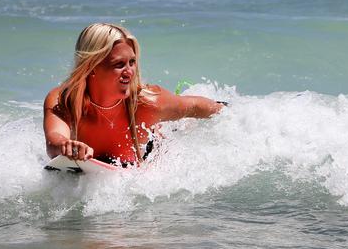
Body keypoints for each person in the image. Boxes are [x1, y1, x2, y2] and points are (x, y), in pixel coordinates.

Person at [43, 23, 225, 165]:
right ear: (91, 66)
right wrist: (66, 146)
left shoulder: (148, 102)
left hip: (152, 149)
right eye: (119, 64)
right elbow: (54, 141)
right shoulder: (65, 101)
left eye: (132, 62)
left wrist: (228, 111)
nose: (130, 72)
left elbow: (193, 106)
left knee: (182, 125)